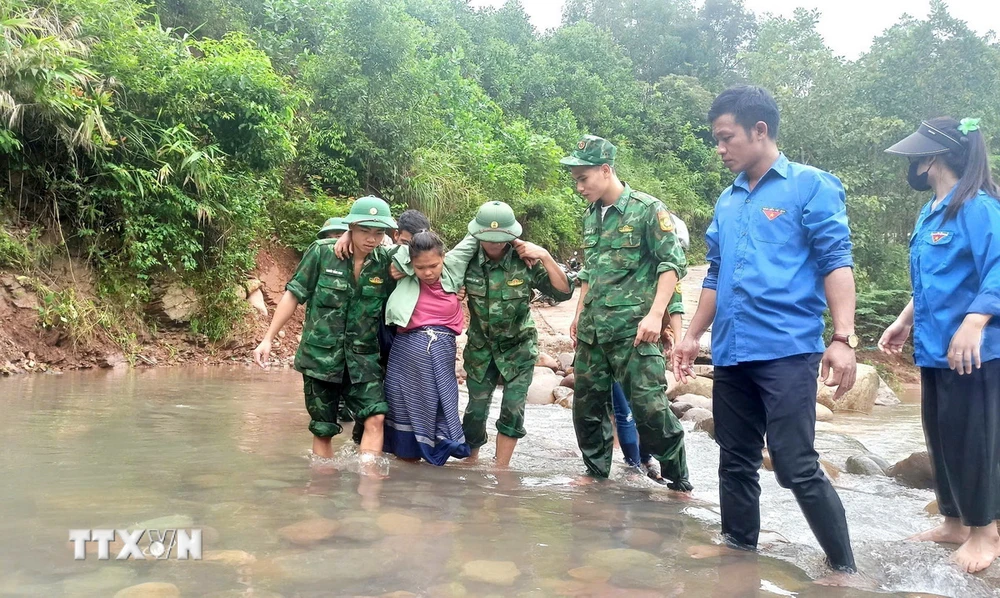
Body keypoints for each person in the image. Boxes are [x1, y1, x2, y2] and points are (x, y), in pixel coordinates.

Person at [672, 86, 859, 582]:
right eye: (716, 139)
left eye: (725, 137)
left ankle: (845, 569)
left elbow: (835, 260)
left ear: (760, 130)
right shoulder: (727, 200)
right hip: (732, 350)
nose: (720, 148)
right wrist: (692, 335)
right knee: (734, 461)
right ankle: (739, 559)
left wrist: (843, 338)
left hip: (787, 348)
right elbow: (714, 274)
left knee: (796, 465)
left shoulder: (810, 185)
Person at [879, 117, 1000, 573]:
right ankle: (954, 521)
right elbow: (932, 280)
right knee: (942, 435)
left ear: (932, 158)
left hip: (976, 350)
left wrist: (976, 320)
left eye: (916, 156)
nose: (911, 164)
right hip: (936, 348)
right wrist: (903, 320)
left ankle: (986, 534)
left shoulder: (978, 206)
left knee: (975, 439)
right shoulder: (933, 210)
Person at [561, 134, 692, 491]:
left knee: (649, 410)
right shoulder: (591, 216)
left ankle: (679, 480)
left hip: (634, 333)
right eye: (575, 179)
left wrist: (655, 315)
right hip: (593, 332)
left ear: (605, 170)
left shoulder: (648, 210)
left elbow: (671, 263)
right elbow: (590, 270)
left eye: (583, 178)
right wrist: (578, 311)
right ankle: (595, 474)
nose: (578, 187)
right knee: (586, 409)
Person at [252, 196, 397, 466]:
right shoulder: (321, 252)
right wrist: (267, 339)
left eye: (379, 233)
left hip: (363, 360)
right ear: (351, 226)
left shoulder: (386, 262)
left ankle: (368, 490)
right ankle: (323, 490)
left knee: (375, 417)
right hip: (321, 359)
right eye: (364, 230)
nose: (371, 239)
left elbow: (428, 255)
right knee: (323, 429)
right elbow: (293, 295)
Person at [460, 201, 574, 468]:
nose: (495, 244)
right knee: (475, 411)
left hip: (518, 348)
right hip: (480, 349)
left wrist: (545, 255)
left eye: (501, 239)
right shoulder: (466, 260)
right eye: (489, 239)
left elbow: (563, 292)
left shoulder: (525, 260)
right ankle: (470, 463)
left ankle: (501, 468)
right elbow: (430, 272)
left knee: (512, 409)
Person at [611, 290, 684, 480]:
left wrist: (674, 338)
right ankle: (635, 465)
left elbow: (674, 305)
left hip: (644, 348)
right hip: (616, 347)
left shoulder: (664, 271)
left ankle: (643, 460)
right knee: (626, 411)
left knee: (641, 412)